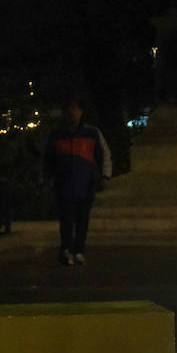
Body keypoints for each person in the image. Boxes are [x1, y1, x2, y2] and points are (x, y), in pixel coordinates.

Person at [43, 96, 112, 267]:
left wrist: (105, 176)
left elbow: (104, 155)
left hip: (85, 183)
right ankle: (66, 249)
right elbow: (47, 159)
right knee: (66, 219)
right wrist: (47, 179)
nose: (72, 113)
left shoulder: (92, 133)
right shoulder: (56, 135)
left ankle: (79, 250)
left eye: (75, 109)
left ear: (81, 112)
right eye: (69, 109)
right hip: (63, 183)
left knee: (82, 219)